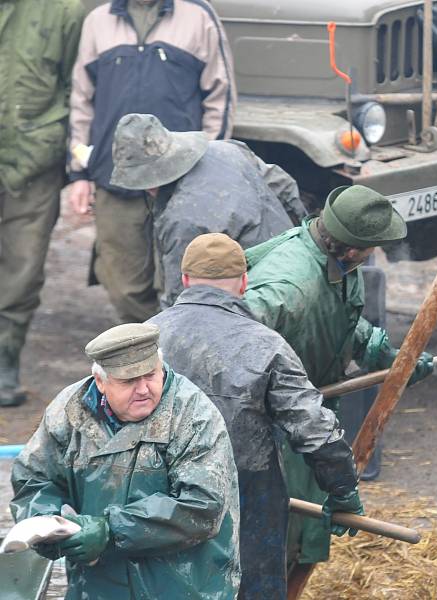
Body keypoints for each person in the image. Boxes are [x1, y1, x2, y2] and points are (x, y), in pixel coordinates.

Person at [148, 233, 364, 599]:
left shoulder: (145, 336)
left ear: (184, 280)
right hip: (246, 498)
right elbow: (313, 429)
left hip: (157, 494)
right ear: (245, 283)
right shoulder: (266, 345)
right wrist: (342, 491)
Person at [244, 184, 434, 570]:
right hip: (273, 424)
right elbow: (231, 339)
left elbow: (341, 316)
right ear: (349, 249)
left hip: (304, 409)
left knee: (299, 532)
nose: (371, 256)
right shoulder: (286, 289)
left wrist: (385, 356)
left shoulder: (334, 260)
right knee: (273, 539)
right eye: (370, 250)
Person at [10, 323, 240, 598]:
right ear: (100, 382)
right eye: (129, 381)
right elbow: (34, 477)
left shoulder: (193, 415)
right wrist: (45, 525)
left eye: (151, 375)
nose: (143, 389)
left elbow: (202, 505)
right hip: (96, 585)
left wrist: (110, 530)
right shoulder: (70, 409)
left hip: (182, 584)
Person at [67, 0, 236, 322]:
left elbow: (220, 96)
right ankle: (147, 349)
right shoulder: (98, 21)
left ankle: (176, 354)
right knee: (122, 284)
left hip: (180, 179)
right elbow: (81, 100)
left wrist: (210, 165)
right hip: (114, 175)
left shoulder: (198, 18)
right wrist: (80, 173)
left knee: (183, 278)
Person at [110, 113, 304, 308]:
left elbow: (184, 302)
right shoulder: (227, 149)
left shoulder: (183, 221)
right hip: (296, 265)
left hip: (259, 300)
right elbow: (285, 187)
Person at [0, 0, 84, 406]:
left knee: (24, 266)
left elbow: (78, 88)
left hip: (33, 158)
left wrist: (58, 147)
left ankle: (4, 359)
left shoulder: (64, 10)